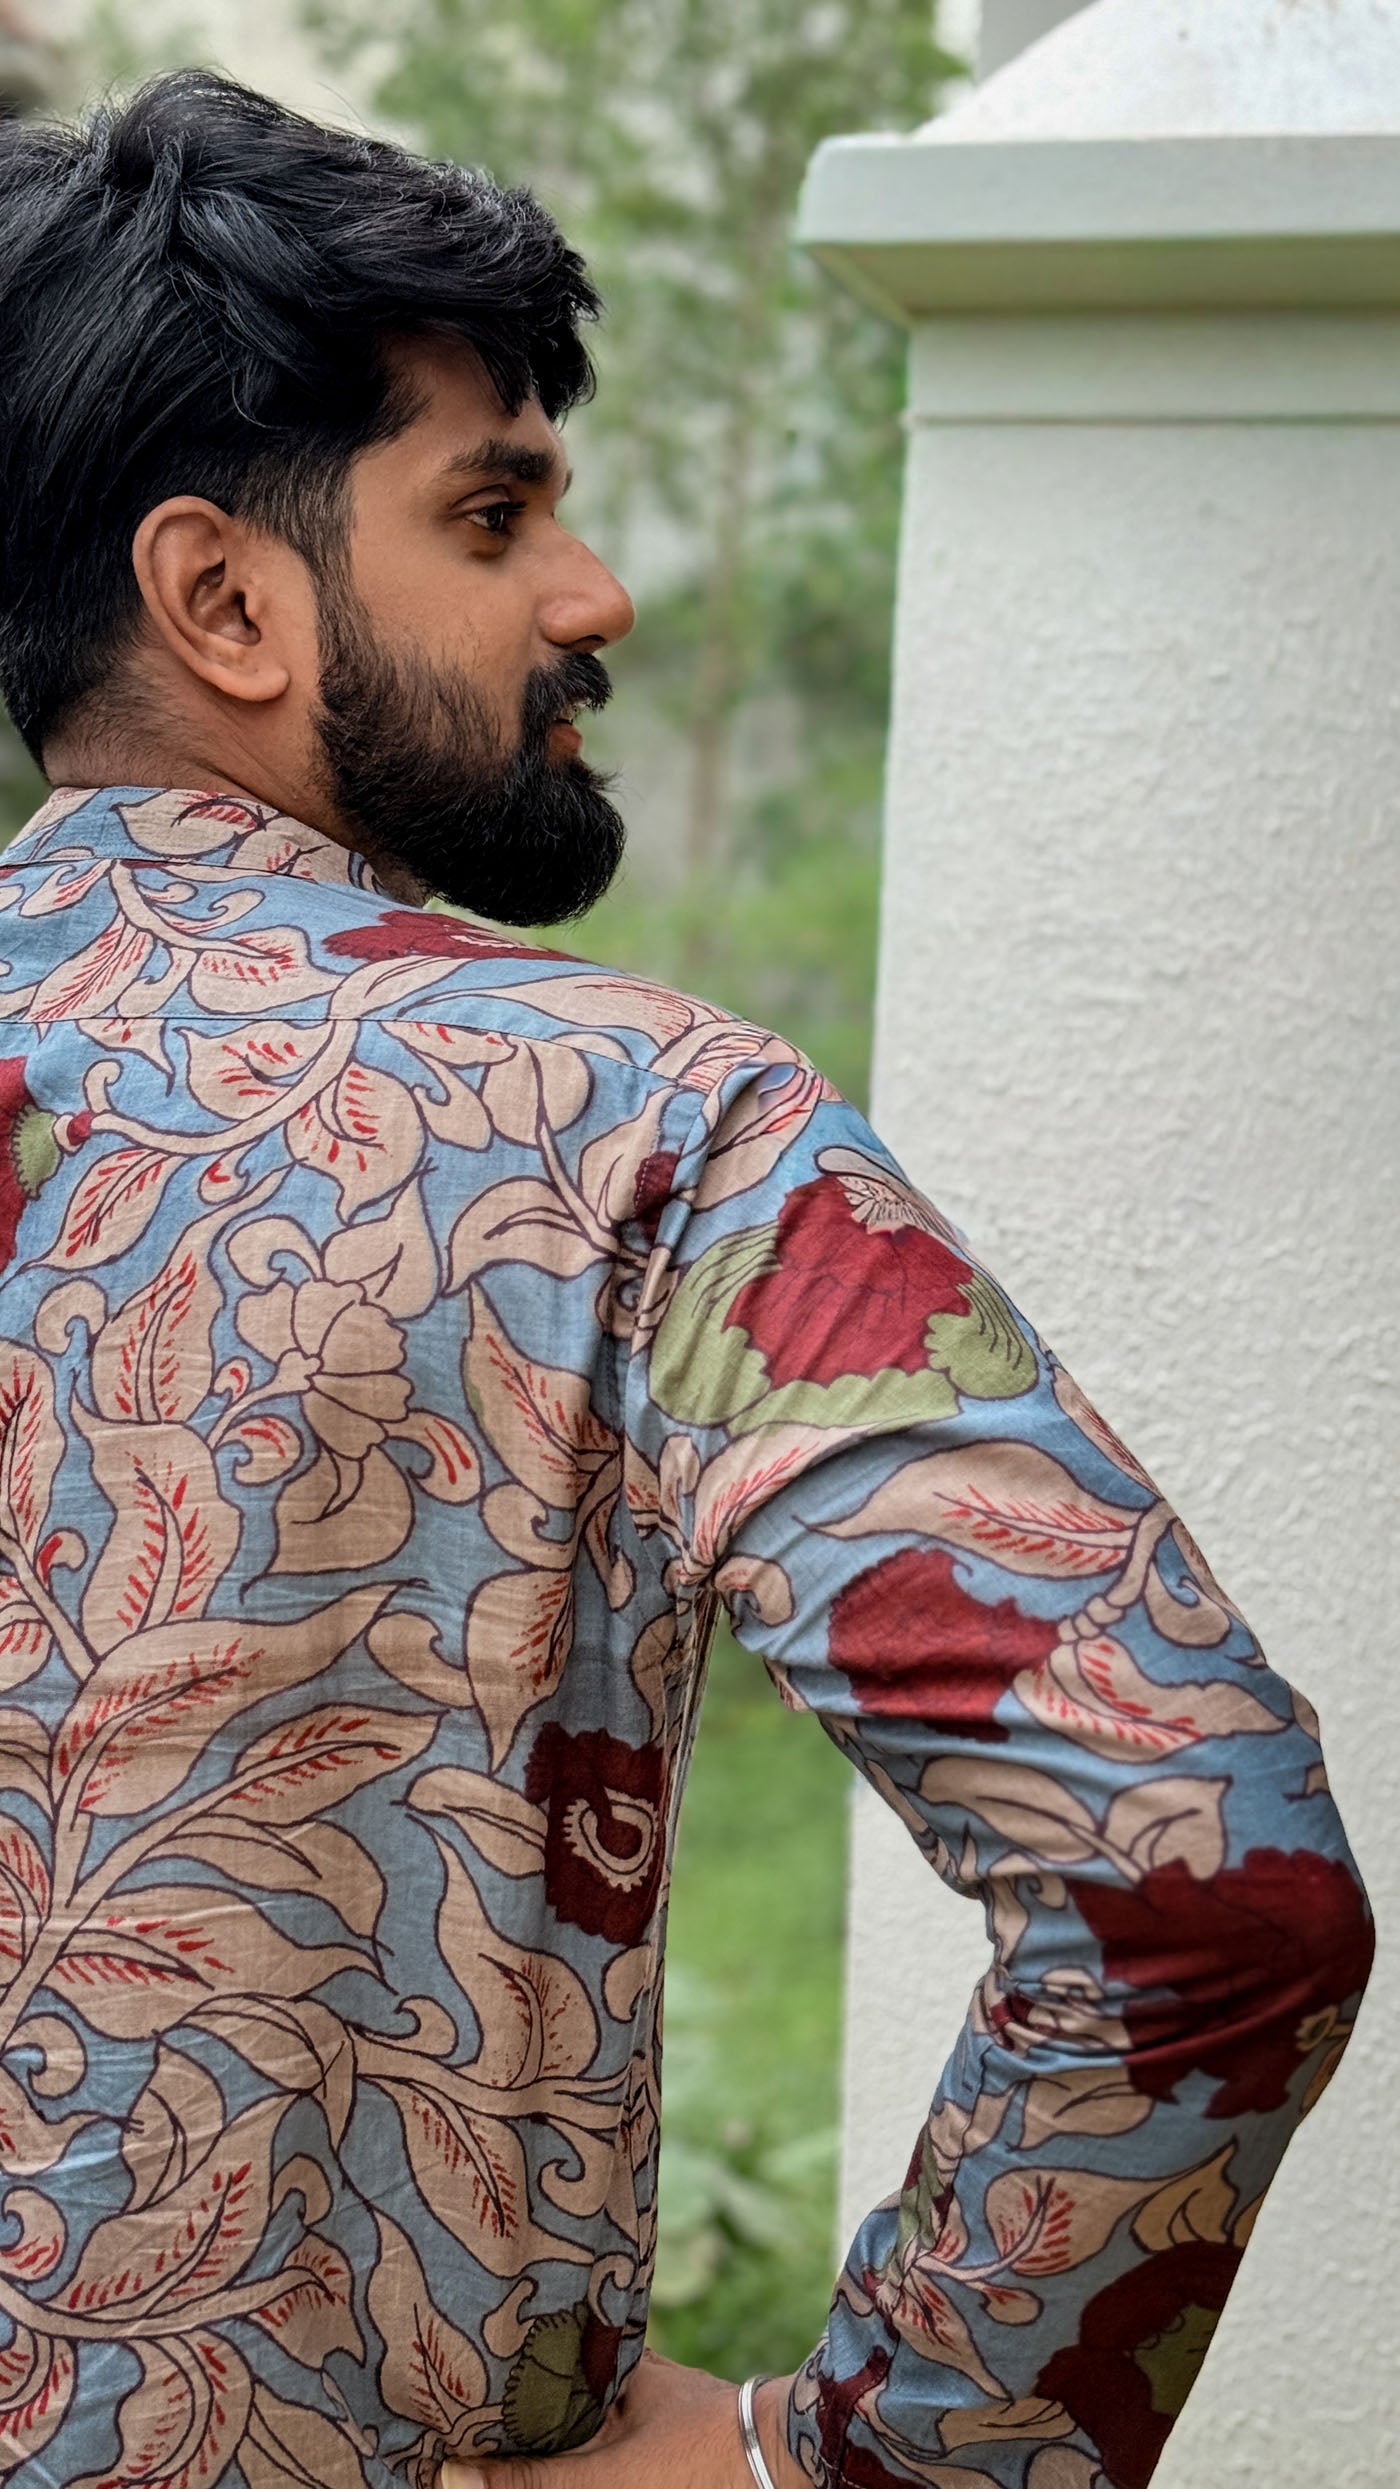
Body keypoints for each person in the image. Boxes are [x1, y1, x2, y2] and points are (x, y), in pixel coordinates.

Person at [0, 70, 1371, 2489]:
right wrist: (856, 2462)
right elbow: (1200, 1872)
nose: (589, 594)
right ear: (224, 599)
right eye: (492, 511)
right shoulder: (636, 1126)